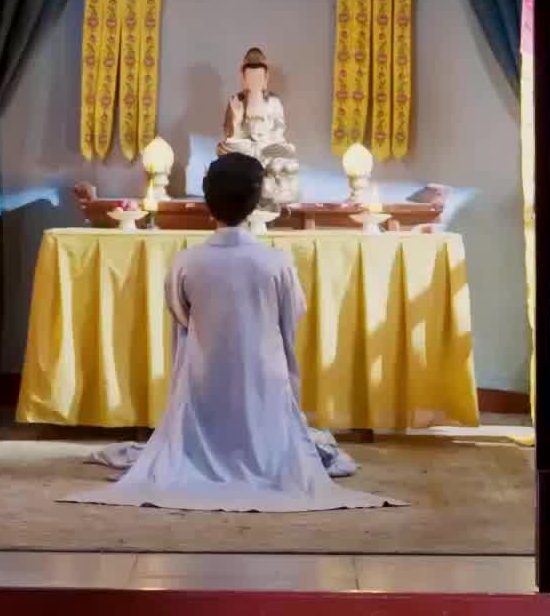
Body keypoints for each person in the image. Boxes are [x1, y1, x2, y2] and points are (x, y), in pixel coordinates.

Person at [62, 152, 398, 513]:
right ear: (256, 202)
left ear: (209, 201)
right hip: (263, 386)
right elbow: (293, 313)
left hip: (204, 384)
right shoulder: (276, 262)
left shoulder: (187, 261)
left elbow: (179, 312)